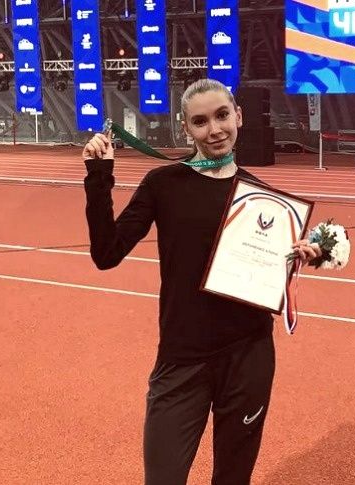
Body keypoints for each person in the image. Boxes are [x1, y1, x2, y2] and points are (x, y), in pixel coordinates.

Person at [81, 78, 321, 485]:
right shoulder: (163, 184)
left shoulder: (265, 200)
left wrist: (302, 254)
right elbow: (106, 254)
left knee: (233, 478)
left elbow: (269, 275)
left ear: (238, 116)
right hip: (183, 357)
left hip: (248, 355)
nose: (214, 130)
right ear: (186, 128)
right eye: (200, 121)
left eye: (222, 115)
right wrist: (99, 177)